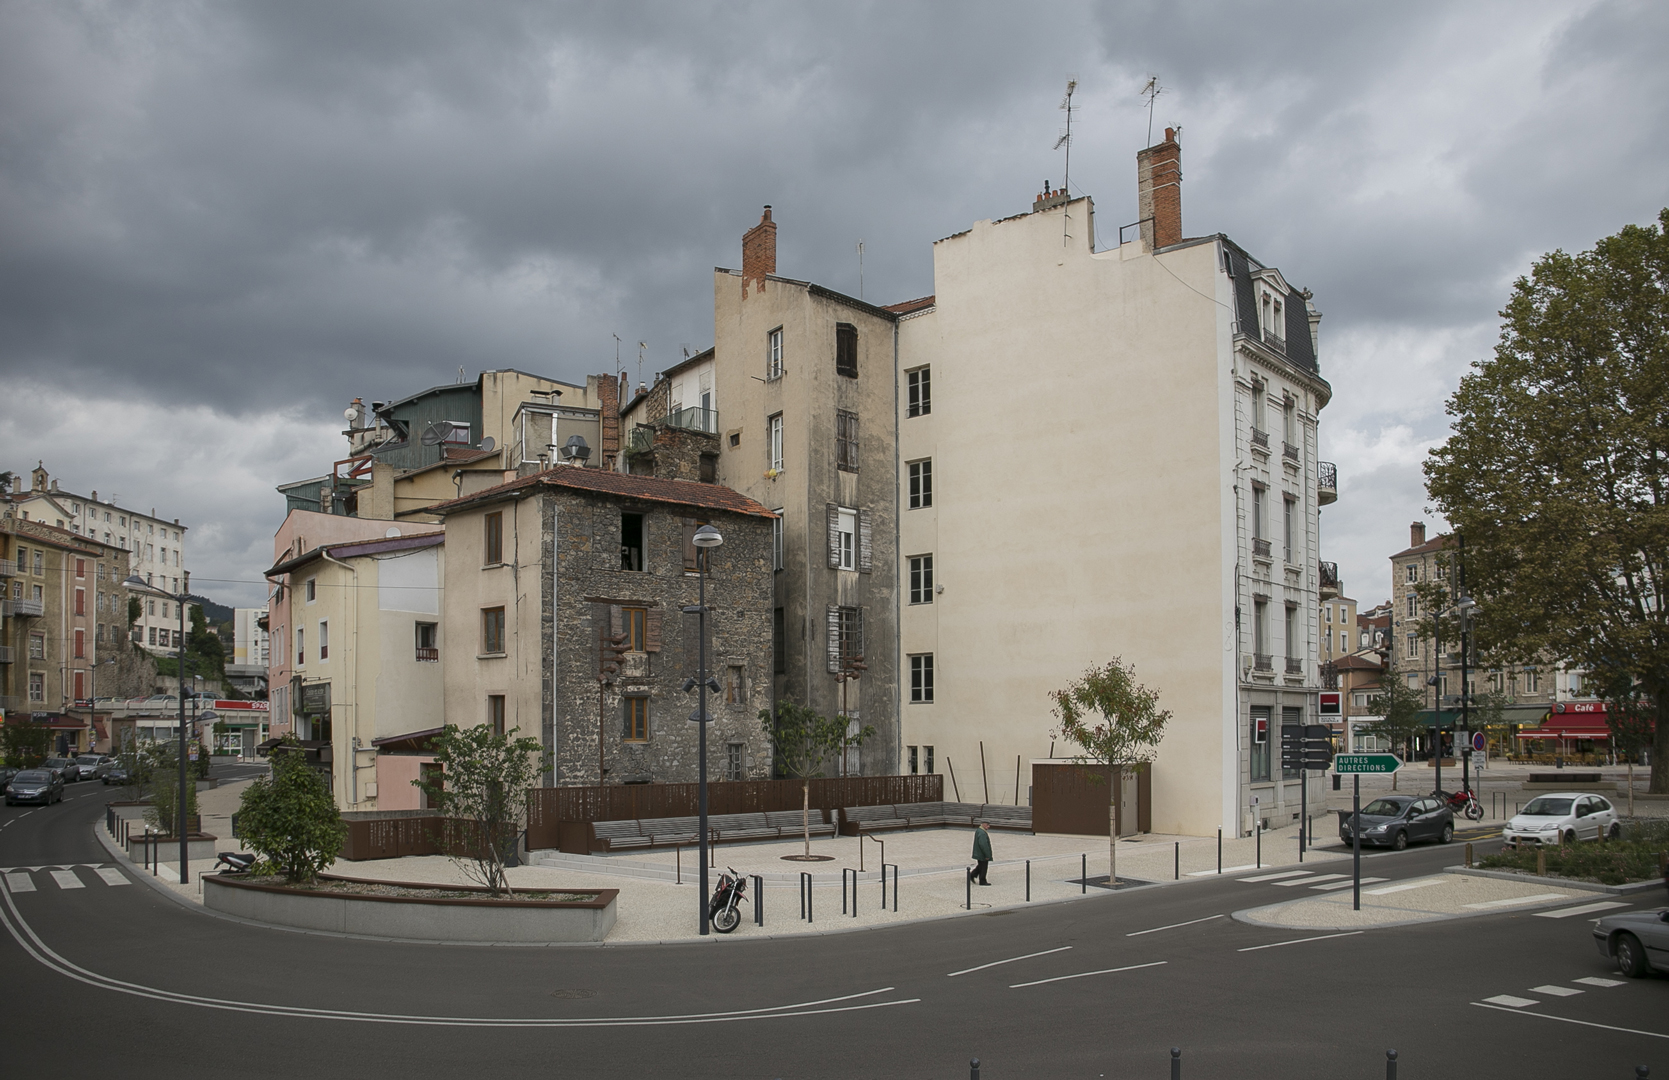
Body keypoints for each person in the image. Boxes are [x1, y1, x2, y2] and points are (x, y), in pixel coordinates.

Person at [968, 822, 993, 886]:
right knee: (983, 867)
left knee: (980, 866)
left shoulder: (979, 831)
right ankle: (982, 881)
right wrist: (987, 855)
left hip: (979, 853)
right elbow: (983, 845)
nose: (988, 826)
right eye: (987, 825)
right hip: (982, 854)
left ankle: (972, 875)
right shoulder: (982, 833)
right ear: (983, 824)